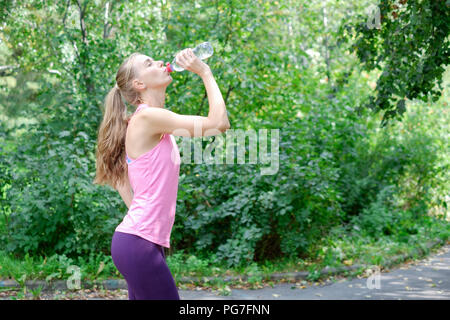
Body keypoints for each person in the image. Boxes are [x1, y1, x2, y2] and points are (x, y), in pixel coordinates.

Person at [93, 48, 231, 300]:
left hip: (139, 242)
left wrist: (148, 229)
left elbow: (121, 179)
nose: (159, 61)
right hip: (138, 244)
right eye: (149, 63)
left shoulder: (144, 121)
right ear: (139, 84)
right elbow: (219, 124)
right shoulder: (147, 118)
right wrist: (205, 72)